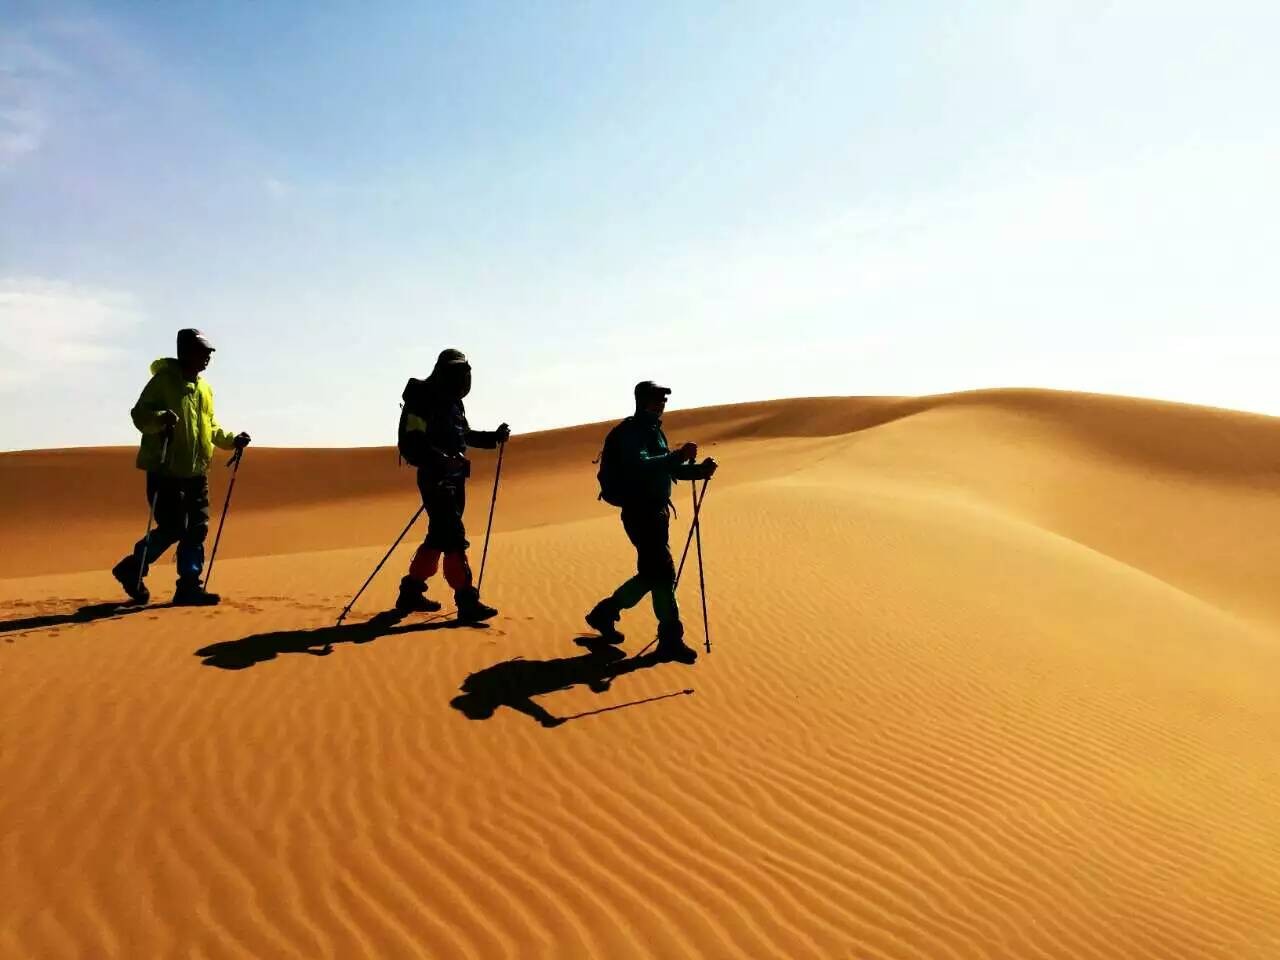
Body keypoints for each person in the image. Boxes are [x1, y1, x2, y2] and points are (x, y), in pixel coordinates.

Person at [111, 329, 250, 606]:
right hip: (166, 470)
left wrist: (231, 440)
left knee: (197, 529)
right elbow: (140, 415)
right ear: (185, 352)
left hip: (197, 472)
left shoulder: (204, 389)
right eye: (202, 351)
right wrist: (161, 418)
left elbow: (209, 427)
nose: (208, 356)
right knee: (173, 527)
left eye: (208, 351)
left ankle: (189, 585)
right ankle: (134, 567)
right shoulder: (163, 382)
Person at [584, 380, 716, 664]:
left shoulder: (653, 430)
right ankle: (670, 639)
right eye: (656, 399)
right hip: (640, 512)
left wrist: (699, 471)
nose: (661, 403)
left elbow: (667, 469)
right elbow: (640, 466)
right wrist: (678, 455)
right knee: (663, 574)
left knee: (651, 575)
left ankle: (604, 613)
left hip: (655, 512)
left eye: (663, 399)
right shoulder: (632, 432)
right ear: (642, 400)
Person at [396, 348, 510, 623]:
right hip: (435, 477)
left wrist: (493, 437)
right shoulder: (422, 398)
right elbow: (413, 440)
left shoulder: (452, 401)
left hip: (454, 477)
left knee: (439, 536)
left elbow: (464, 434)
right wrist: (441, 460)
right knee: (454, 536)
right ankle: (467, 600)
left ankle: (410, 592)